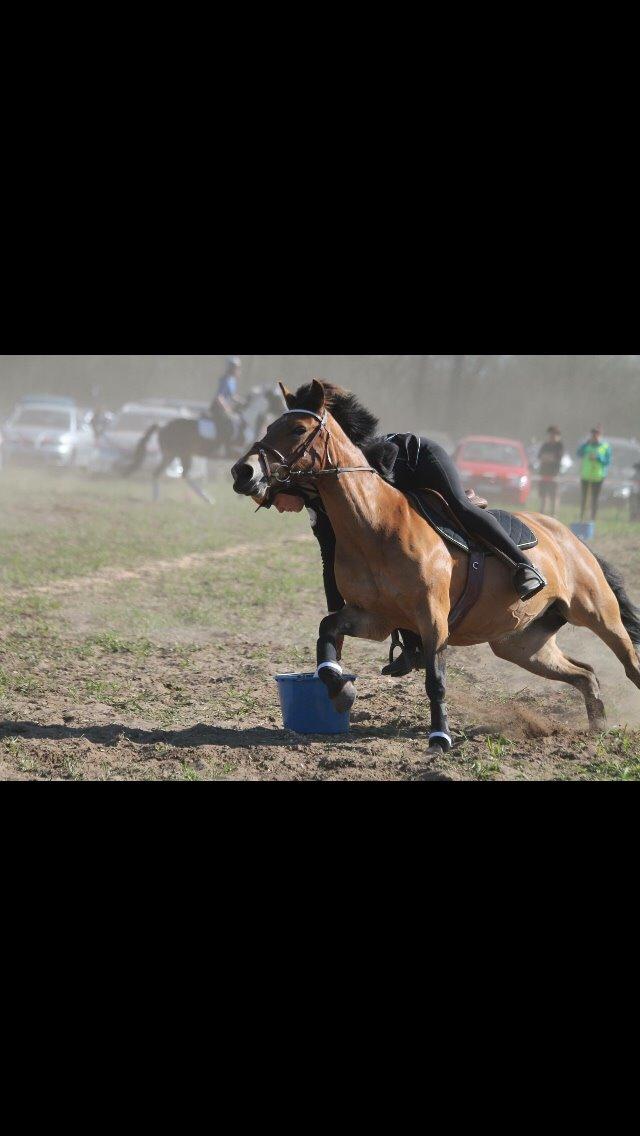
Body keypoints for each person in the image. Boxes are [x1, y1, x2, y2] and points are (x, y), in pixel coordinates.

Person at [269, 383, 548, 676]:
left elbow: (381, 462)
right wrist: (335, 627)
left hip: (421, 459)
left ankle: (522, 566)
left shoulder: (348, 462)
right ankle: (413, 646)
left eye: (276, 501)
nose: (278, 508)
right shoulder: (323, 499)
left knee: (461, 507)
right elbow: (331, 560)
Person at [577, 427, 612, 522]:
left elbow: (608, 461)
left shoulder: (605, 447)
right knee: (584, 498)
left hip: (598, 477)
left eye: (597, 434)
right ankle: (581, 517)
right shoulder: (586, 446)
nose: (595, 437)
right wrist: (585, 445)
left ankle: (592, 518)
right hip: (585, 476)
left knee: (595, 499)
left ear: (600, 435)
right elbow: (578, 454)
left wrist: (598, 458)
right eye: (593, 435)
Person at [537, 426, 564, 516]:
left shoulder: (559, 446)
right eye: (551, 434)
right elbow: (540, 456)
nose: (552, 436)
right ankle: (542, 513)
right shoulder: (545, 445)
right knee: (543, 495)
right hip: (544, 473)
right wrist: (549, 458)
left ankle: (554, 514)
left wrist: (548, 458)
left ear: (558, 435)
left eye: (554, 434)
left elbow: (558, 458)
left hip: (554, 474)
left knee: (554, 495)